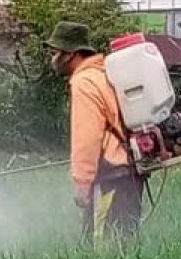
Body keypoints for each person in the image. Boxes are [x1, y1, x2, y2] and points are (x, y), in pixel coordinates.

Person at [45, 21, 146, 245]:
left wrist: (82, 184)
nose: (51, 59)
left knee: (101, 249)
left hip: (110, 176)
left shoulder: (84, 82)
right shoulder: (103, 75)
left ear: (69, 54)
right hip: (129, 173)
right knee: (124, 244)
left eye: (54, 53)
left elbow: (87, 139)